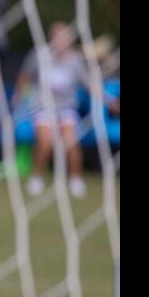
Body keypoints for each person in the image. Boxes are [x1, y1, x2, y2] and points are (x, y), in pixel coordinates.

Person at [16, 21, 90, 198]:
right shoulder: (39, 56)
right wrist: (18, 97)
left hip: (66, 108)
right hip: (41, 106)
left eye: (65, 37)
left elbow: (89, 84)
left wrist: (108, 99)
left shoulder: (76, 61)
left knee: (71, 143)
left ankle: (75, 180)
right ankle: (37, 177)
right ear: (52, 38)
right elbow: (24, 77)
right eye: (58, 36)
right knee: (45, 142)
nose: (61, 40)